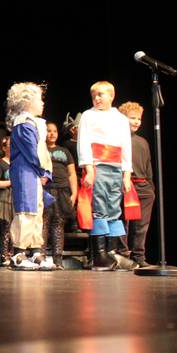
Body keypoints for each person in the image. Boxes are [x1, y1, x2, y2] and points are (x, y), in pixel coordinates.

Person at [77, 81, 133, 271]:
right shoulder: (88, 115)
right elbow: (83, 143)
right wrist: (89, 169)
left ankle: (112, 252)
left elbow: (126, 146)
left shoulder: (121, 119)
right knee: (100, 205)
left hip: (116, 167)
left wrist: (126, 174)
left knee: (114, 207)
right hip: (98, 165)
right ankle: (99, 255)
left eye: (101, 94)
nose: (97, 98)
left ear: (112, 95)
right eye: (94, 95)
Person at [6, 82, 54, 271]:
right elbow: (32, 151)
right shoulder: (24, 123)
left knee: (36, 211)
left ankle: (35, 252)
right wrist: (43, 170)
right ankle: (18, 254)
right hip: (25, 171)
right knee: (26, 211)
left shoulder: (33, 122)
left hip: (33, 172)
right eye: (39, 99)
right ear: (27, 102)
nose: (42, 103)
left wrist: (45, 172)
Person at [118, 101, 154, 268]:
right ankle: (123, 255)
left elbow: (148, 167)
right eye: (132, 118)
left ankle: (139, 256)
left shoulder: (143, 142)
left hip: (144, 187)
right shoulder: (117, 140)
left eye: (138, 119)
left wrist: (151, 188)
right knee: (124, 222)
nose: (136, 122)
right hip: (125, 185)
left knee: (141, 226)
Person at [43, 121, 78, 270]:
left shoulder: (64, 151)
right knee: (43, 224)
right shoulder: (40, 150)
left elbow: (71, 174)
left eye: (54, 131)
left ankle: (58, 260)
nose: (52, 134)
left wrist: (74, 193)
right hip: (46, 189)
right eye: (49, 131)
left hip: (62, 190)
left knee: (58, 224)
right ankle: (41, 257)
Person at [0, 136, 14, 266]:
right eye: (10, 145)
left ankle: (13, 256)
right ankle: (4, 256)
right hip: (6, 197)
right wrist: (11, 182)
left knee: (15, 229)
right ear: (4, 148)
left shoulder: (18, 163)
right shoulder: (1, 164)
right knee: (6, 228)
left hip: (16, 198)